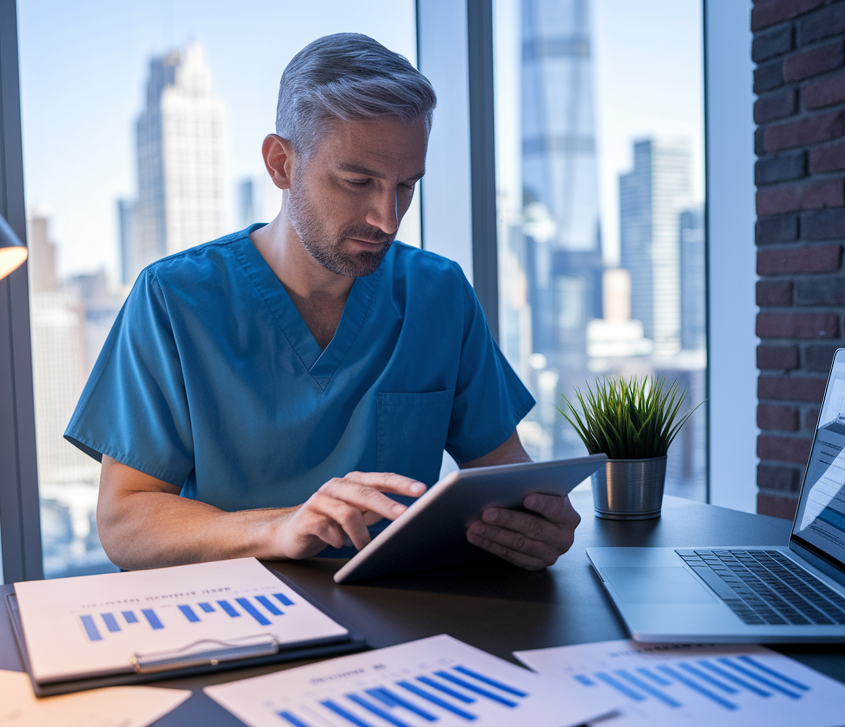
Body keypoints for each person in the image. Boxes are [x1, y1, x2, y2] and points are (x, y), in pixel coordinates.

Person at [65, 33, 580, 571]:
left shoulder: (439, 293)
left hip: (405, 616)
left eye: (406, 185)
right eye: (358, 181)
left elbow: (504, 472)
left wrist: (535, 525)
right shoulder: (174, 299)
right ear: (280, 163)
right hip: (241, 621)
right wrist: (280, 527)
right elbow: (125, 524)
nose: (387, 218)